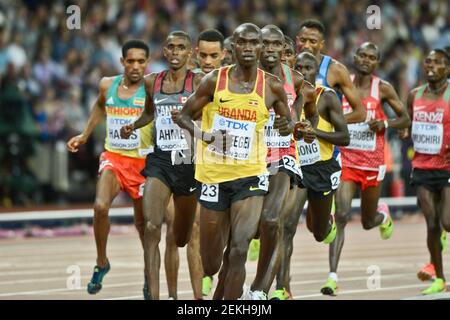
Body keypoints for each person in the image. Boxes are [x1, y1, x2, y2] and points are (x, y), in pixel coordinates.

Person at [175, 23, 303, 300]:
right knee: (211, 263)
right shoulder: (213, 81)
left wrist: (287, 125)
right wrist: (208, 137)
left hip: (251, 175)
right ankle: (226, 281)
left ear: (260, 47)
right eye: (242, 42)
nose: (248, 48)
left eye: (253, 43)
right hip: (213, 177)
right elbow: (183, 117)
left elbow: (287, 124)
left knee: (240, 249)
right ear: (232, 47)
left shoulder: (272, 86)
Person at [321, 42, 411, 296]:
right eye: (362, 55)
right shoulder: (342, 82)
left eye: (372, 57)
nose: (366, 60)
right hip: (347, 160)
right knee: (342, 215)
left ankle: (382, 215)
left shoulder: (382, 88)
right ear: (355, 56)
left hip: (372, 164)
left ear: (377, 63)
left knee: (367, 221)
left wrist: (386, 122)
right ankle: (332, 277)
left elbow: (405, 118)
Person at [120, 31, 203, 300]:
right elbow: (148, 112)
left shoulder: (200, 82)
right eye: (171, 47)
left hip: (189, 163)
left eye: (181, 48)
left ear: (190, 53)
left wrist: (190, 118)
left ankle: (199, 298)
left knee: (182, 237)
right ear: (164, 52)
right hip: (160, 161)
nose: (176, 52)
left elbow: (213, 117)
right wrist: (133, 125)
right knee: (152, 228)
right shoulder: (151, 83)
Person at [66, 40, 152, 295]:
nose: (135, 66)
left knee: (143, 225)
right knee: (100, 206)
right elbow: (100, 106)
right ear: (122, 62)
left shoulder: (152, 89)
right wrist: (84, 134)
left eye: (141, 61)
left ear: (146, 63)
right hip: (114, 157)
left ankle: (150, 274)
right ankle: (102, 262)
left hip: (142, 163)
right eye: (131, 61)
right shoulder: (107, 85)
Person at [249, 25, 317, 300]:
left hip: (282, 156)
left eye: (276, 45)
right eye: (264, 44)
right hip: (250, 159)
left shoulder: (296, 80)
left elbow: (309, 113)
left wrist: (302, 127)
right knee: (247, 233)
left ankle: (260, 291)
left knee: (273, 219)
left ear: (284, 48)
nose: (270, 50)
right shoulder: (244, 76)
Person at [274, 51, 350, 299]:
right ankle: (282, 288)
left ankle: (325, 223)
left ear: (316, 72)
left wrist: (316, 134)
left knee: (318, 233)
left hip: (322, 168)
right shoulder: (285, 98)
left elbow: (344, 137)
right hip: (297, 167)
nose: (304, 72)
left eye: (309, 68)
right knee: (286, 226)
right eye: (300, 67)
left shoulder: (326, 97)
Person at [406, 49, 450, 294]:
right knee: (432, 224)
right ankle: (440, 278)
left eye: (438, 62)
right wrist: (400, 129)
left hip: (447, 167)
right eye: (429, 61)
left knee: (447, 221)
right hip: (422, 167)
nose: (431, 66)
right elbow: (407, 121)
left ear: (448, 69)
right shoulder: (415, 95)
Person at [190, 28, 227, 297]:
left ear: (224, 55)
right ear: (195, 53)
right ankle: (207, 273)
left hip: (241, 167)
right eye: (203, 55)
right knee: (206, 234)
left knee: (238, 237)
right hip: (200, 166)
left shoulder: (236, 80)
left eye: (213, 55)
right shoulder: (189, 81)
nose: (207, 60)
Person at [296, 19, 365, 125]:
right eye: (303, 40)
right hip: (294, 137)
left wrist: (330, 123)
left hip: (323, 139)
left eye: (312, 41)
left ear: (321, 44)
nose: (306, 45)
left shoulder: (336, 70)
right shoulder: (289, 65)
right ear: (297, 40)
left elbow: (360, 113)